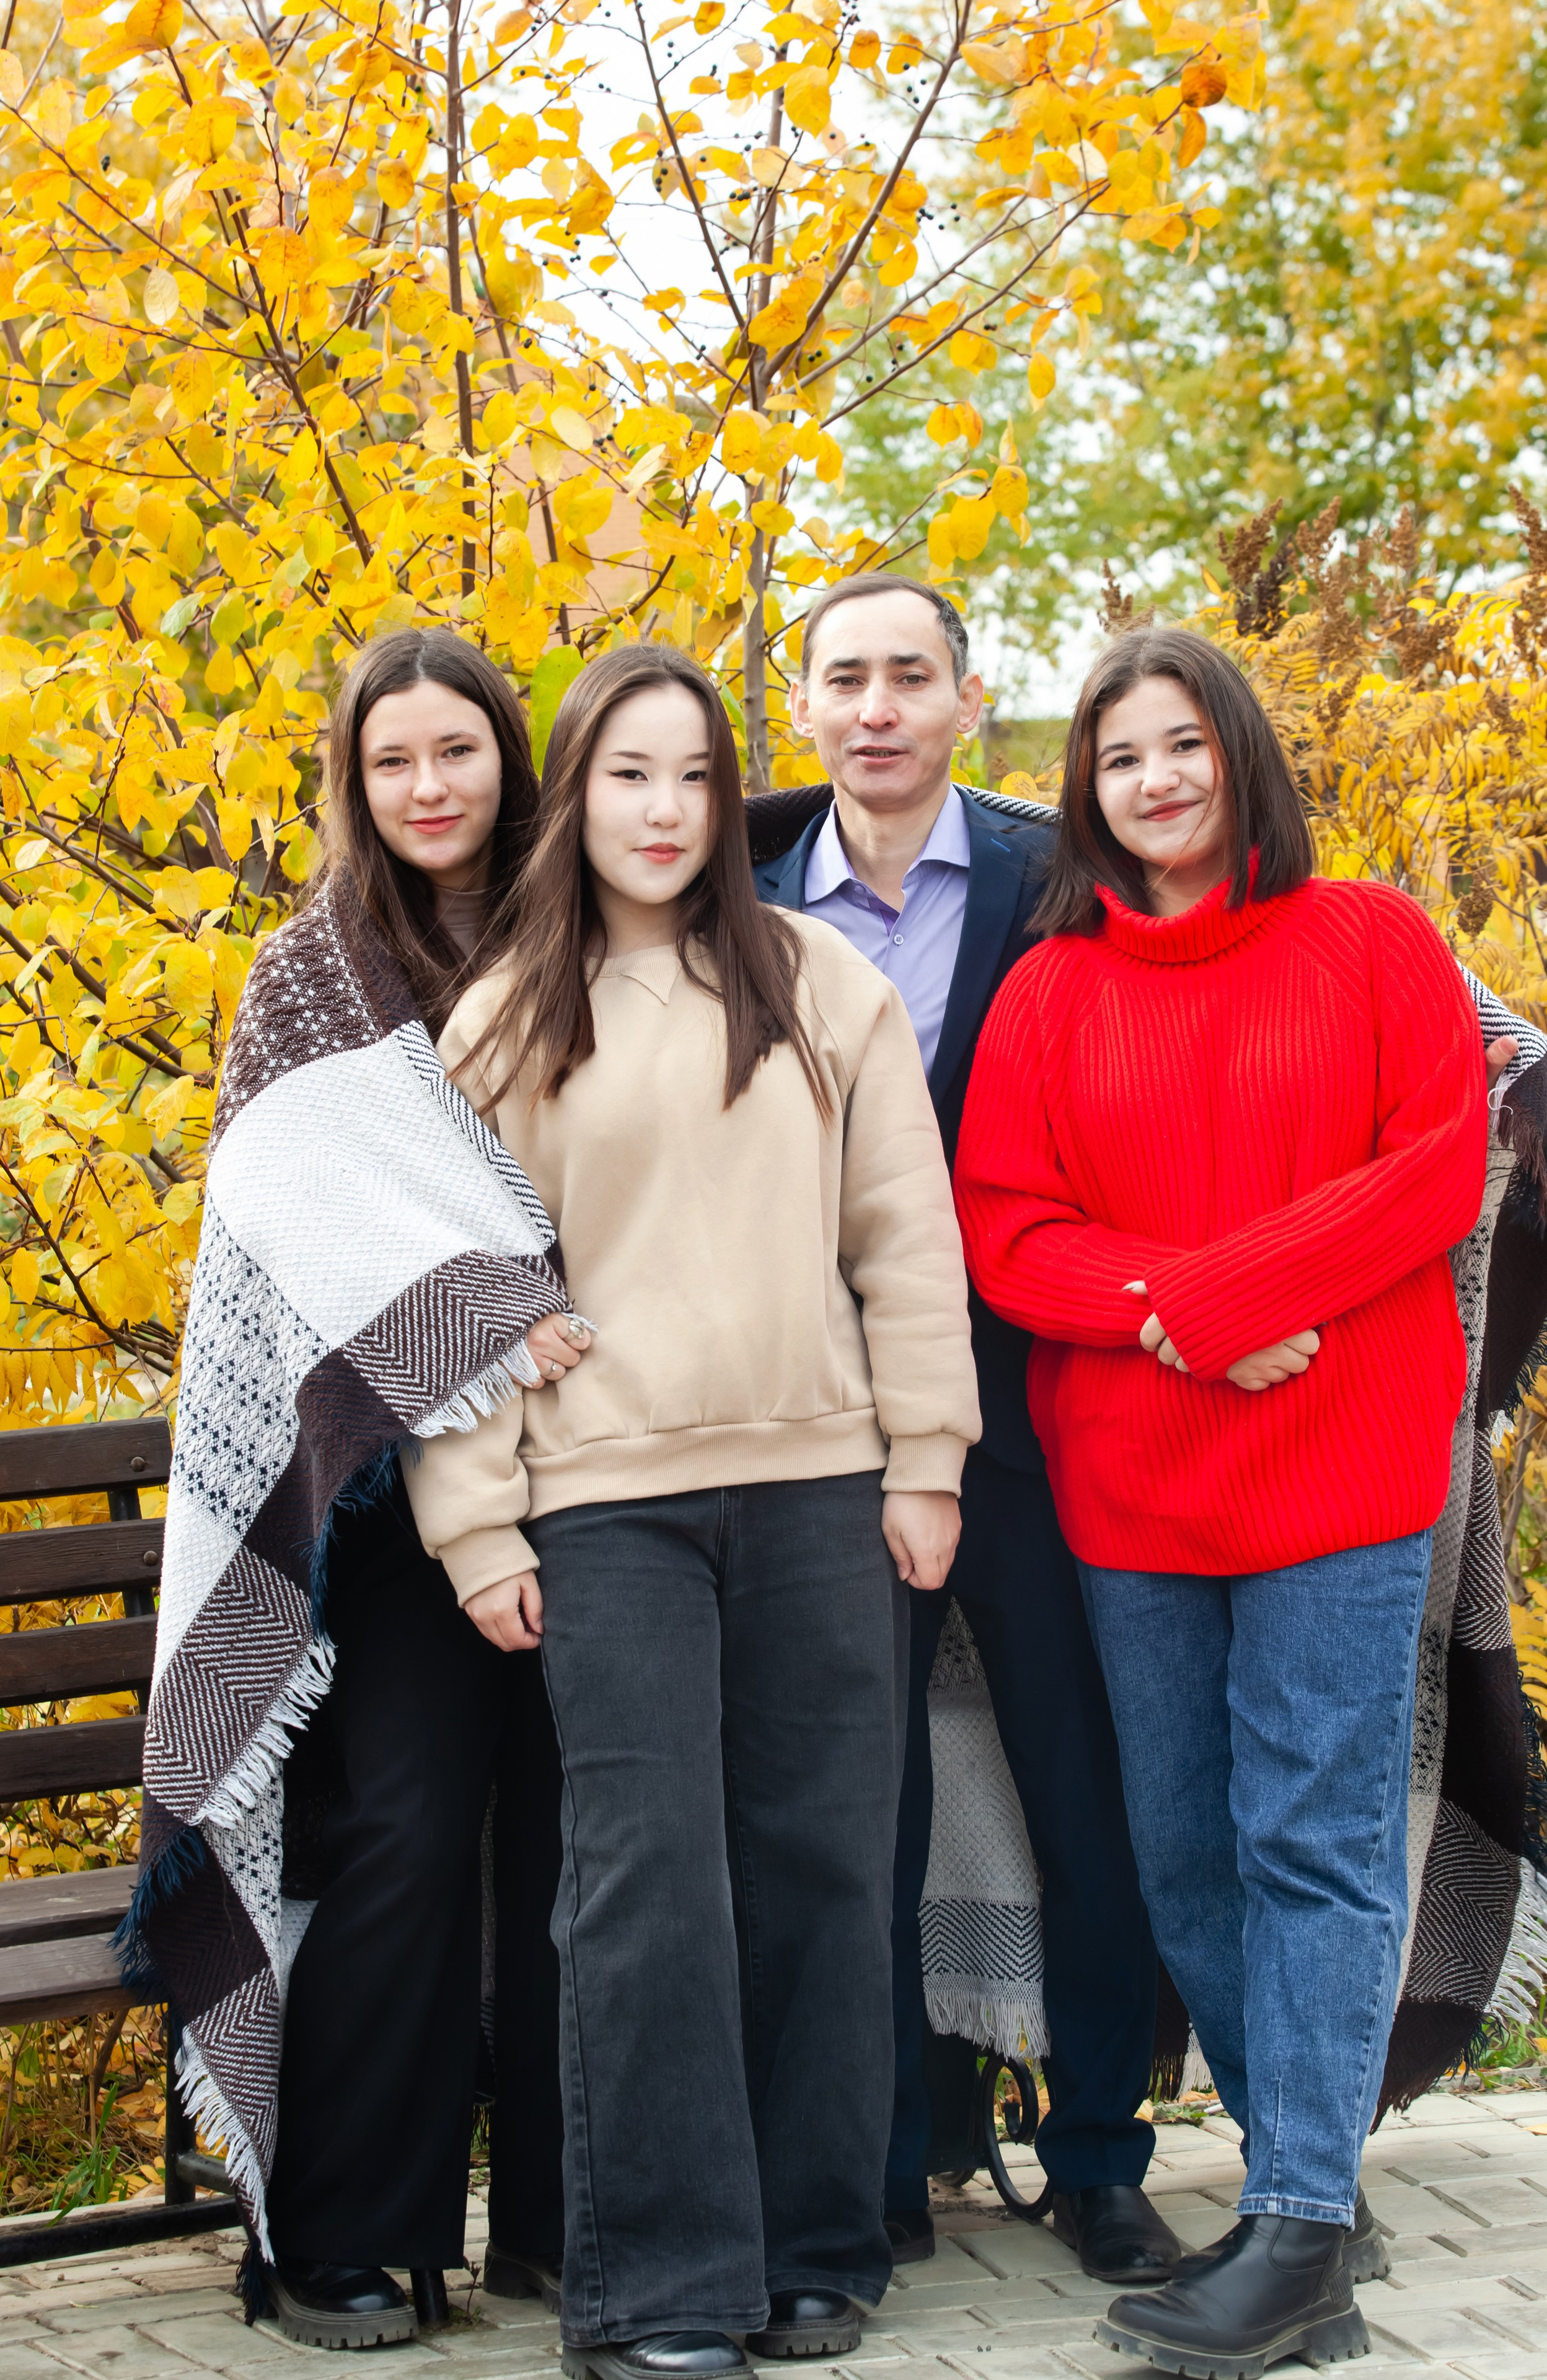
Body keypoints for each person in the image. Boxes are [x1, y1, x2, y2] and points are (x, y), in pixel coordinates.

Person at [404, 643, 981, 2380]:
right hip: (607, 1509)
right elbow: (455, 1294)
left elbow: (905, 1238)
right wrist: (477, 1522)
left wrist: (928, 1456)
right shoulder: (504, 1015)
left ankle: (815, 2252)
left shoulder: (822, 986)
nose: (660, 811)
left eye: (692, 778)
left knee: (821, 1869)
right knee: (646, 1890)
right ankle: (656, 2291)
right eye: (623, 776)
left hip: (821, 1485)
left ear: (730, 802)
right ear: (571, 797)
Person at [954, 624, 1489, 2376]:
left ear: (1238, 755)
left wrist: (1228, 1299)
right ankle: (1296, 2186)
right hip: (1133, 1486)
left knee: (1310, 1838)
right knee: (1185, 1847)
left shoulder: (1372, 940)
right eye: (1121, 758)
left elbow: (1436, 1167)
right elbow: (1009, 1231)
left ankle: (1305, 2226)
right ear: (1087, 794)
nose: (1157, 779)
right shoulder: (1051, 987)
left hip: (1339, 1467)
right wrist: (1184, 1323)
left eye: (1184, 744)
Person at [752, 574, 1171, 2285]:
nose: (876, 707)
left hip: (1034, 1415)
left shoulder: (1059, 874)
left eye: (909, 676)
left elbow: (1233, 964)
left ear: (966, 694)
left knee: (1088, 1790)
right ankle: (877, 2157)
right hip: (809, 1423)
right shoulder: (732, 885)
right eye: (844, 675)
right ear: (801, 701)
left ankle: (1099, 2158)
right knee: (858, 1802)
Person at [260, 629, 585, 2343]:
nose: (431, 787)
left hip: (595, 1459)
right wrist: (482, 1307)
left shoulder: (585, 934)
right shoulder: (310, 974)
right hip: (386, 1496)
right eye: (394, 762)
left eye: (457, 750)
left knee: (573, 1844)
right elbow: (286, 1224)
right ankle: (337, 2231)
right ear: (355, 781)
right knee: (399, 1829)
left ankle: (554, 2213)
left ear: (508, 758)